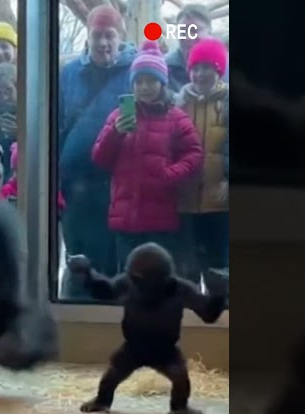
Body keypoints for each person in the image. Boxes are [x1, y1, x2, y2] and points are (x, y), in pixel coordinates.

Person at [91, 41, 203, 275]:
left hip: (162, 221)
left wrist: (170, 174)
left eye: (151, 81)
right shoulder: (118, 116)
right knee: (129, 281)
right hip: (126, 220)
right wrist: (115, 133)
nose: (144, 87)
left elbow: (194, 154)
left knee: (160, 282)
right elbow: (100, 158)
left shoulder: (177, 118)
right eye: (139, 81)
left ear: (162, 83)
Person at [57, 6, 136, 297]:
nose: (103, 43)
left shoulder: (136, 71)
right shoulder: (68, 75)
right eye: (97, 35)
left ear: (120, 36)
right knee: (78, 262)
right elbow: (56, 126)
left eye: (109, 36)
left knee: (115, 263)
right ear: (88, 37)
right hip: (74, 186)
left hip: (118, 185)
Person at [176, 36, 229, 284]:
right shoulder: (178, 104)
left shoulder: (229, 102)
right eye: (196, 68)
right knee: (187, 274)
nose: (200, 74)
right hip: (184, 204)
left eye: (207, 67)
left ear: (218, 69)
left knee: (220, 272)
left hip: (220, 204)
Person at [165, 4, 213, 91]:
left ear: (209, 31)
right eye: (183, 32)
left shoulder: (225, 67)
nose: (188, 38)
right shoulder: (165, 67)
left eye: (194, 31)